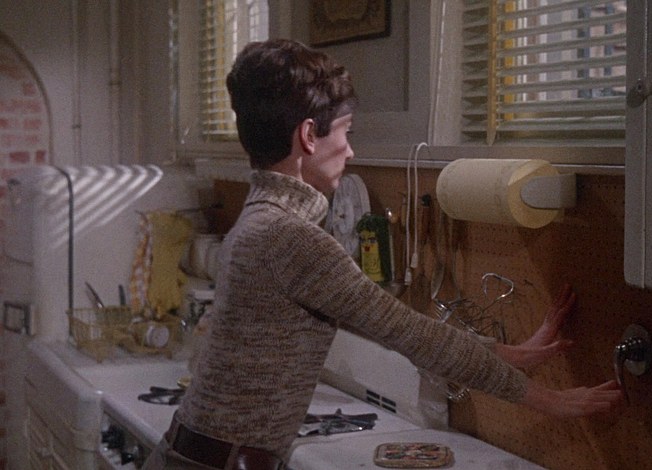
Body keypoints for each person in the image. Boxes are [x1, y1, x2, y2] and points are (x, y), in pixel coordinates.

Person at [143, 38, 622, 470]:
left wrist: (514, 353)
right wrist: (550, 401)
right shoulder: (290, 238)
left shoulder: (258, 218)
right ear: (309, 136)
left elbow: (406, 331)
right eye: (345, 132)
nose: (350, 151)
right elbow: (414, 336)